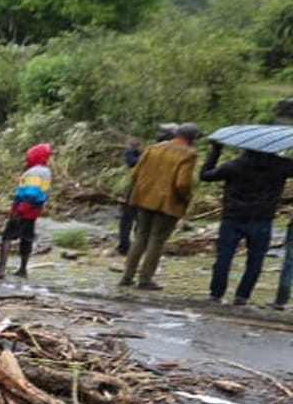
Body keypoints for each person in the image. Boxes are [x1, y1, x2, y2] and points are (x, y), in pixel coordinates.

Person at [200, 139, 293, 305]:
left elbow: (205, 175)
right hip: (262, 218)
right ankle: (242, 295)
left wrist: (215, 150)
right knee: (256, 260)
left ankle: (216, 293)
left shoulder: (234, 165)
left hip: (233, 216)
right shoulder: (281, 166)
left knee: (224, 257)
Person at [121, 123, 201, 290]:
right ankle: (145, 279)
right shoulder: (189, 154)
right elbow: (182, 183)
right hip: (168, 203)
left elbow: (135, 173)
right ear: (192, 138)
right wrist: (187, 198)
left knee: (140, 237)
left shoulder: (153, 148)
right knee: (156, 240)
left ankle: (127, 277)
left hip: (144, 198)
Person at [0, 144, 53, 278]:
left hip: (24, 207)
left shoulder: (34, 172)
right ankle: (22, 269)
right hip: (35, 210)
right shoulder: (46, 171)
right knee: (26, 238)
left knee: (7, 237)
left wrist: (20, 209)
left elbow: (31, 193)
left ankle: (0, 269)